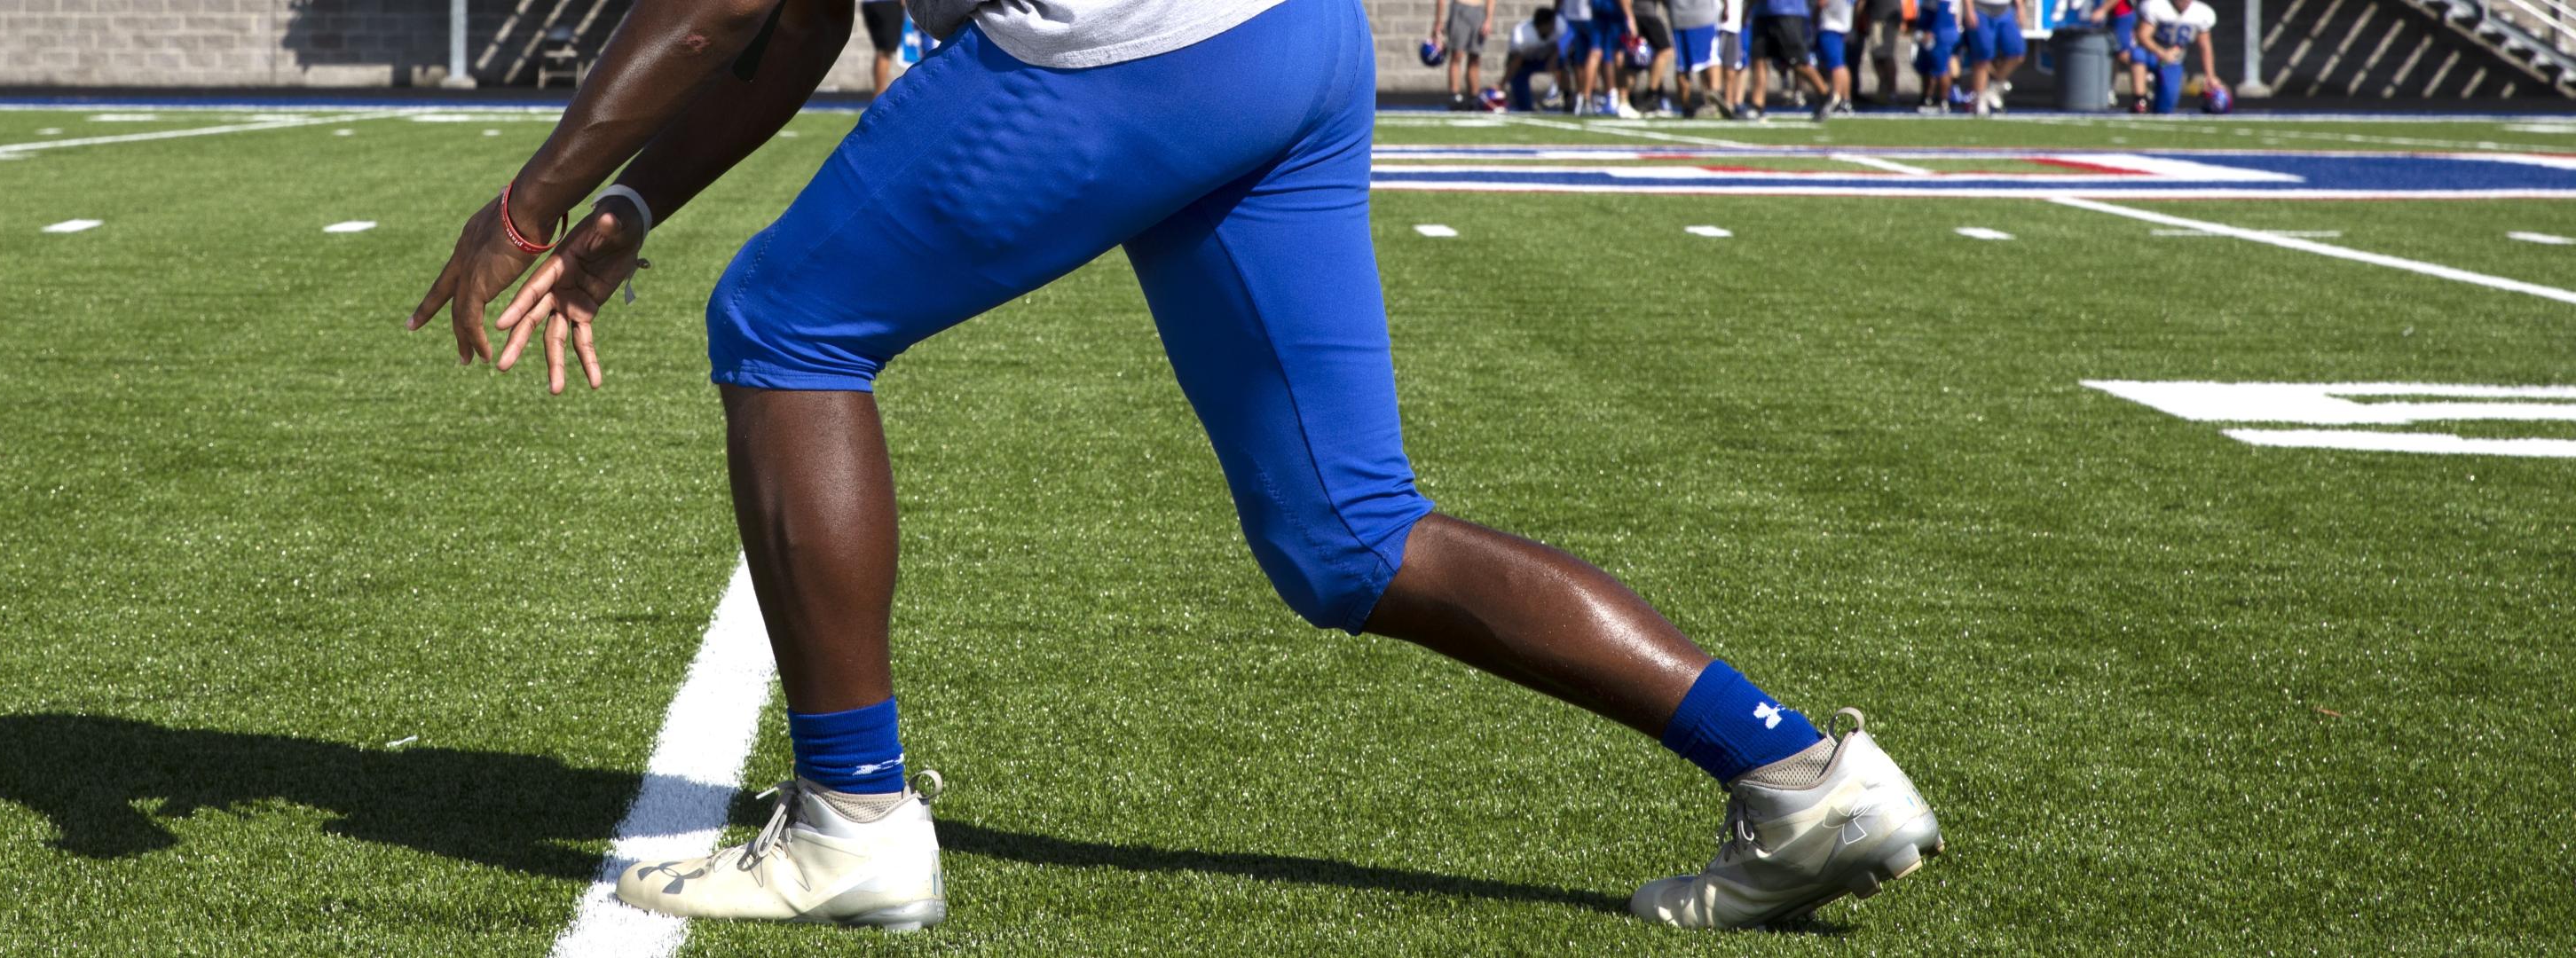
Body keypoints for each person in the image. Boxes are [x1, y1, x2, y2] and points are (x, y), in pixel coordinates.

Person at [401, 0, 1945, 934]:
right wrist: (636, 205)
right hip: (1288, 40)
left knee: (787, 327)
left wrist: (534, 203)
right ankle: (1800, 776)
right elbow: (798, 21)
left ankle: (851, 823)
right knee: (1344, 537)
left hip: (1123, 48)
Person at [1743, 0, 1827, 120]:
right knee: (1758, 58)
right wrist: (1747, 9)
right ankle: (1757, 106)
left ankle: (1825, 94)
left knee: (1796, 60)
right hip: (1761, 12)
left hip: (1787, 11)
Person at [2137, 0, 2219, 113]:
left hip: (2173, 61)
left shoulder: (2201, 13)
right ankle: (2139, 100)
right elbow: (2143, 36)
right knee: (2137, 55)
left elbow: (2205, 47)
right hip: (2152, 55)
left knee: (2165, 106)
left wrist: (2210, 76)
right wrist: (2162, 52)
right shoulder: (2157, 6)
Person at [1665, 0, 1726, 117]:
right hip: (1705, 14)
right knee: (1711, 59)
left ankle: (1686, 107)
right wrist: (1726, 6)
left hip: (1679, 15)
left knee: (1682, 64)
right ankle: (1714, 98)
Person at [1959, 0, 2021, 115]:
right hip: (1980, 8)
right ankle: (1980, 98)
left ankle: (1993, 85)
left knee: (2016, 52)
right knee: (1983, 55)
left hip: (2005, 8)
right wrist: (1969, 9)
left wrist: (2020, 7)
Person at [1433, 0, 1493, 111]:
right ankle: (1454, 96)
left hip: (1478, 10)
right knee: (1457, 54)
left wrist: (1489, 19)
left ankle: (1473, 98)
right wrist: (1438, 21)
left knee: (1475, 57)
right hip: (1459, 8)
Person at [1503, 6, 1564, 110]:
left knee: (1563, 65)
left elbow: (1558, 48)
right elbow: (1516, 61)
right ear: (1543, 25)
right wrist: (1503, 82)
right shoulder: (1522, 35)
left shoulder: (1560, 26)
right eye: (1551, 24)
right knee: (1518, 76)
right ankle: (1525, 106)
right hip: (1525, 62)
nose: (1554, 26)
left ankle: (1561, 97)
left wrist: (1552, 62)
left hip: (1545, 57)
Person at [1913, 0, 1958, 112]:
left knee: (1940, 66)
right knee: (1925, 65)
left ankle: (1944, 99)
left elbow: (1943, 9)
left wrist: (1933, 31)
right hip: (1928, 20)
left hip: (1941, 26)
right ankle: (1927, 97)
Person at [1812, 0, 1854, 117]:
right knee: (1840, 63)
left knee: (1836, 65)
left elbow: (1821, 3)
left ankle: (1835, 99)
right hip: (1842, 24)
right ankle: (1845, 101)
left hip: (1831, 25)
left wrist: (1813, 19)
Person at [861, 1, 906, 93]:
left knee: (882, 51)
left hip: (869, 4)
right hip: (887, 4)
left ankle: (878, 93)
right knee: (885, 52)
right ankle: (879, 95)